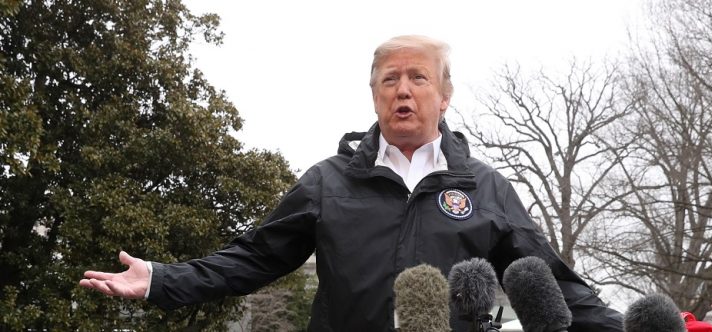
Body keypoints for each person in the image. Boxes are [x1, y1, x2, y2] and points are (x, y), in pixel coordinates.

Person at [80, 35, 624, 331]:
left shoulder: (485, 187)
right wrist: (157, 280)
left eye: (418, 77)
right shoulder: (328, 182)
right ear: (374, 95)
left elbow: (554, 283)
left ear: (444, 96)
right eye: (390, 79)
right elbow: (253, 258)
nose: (403, 90)